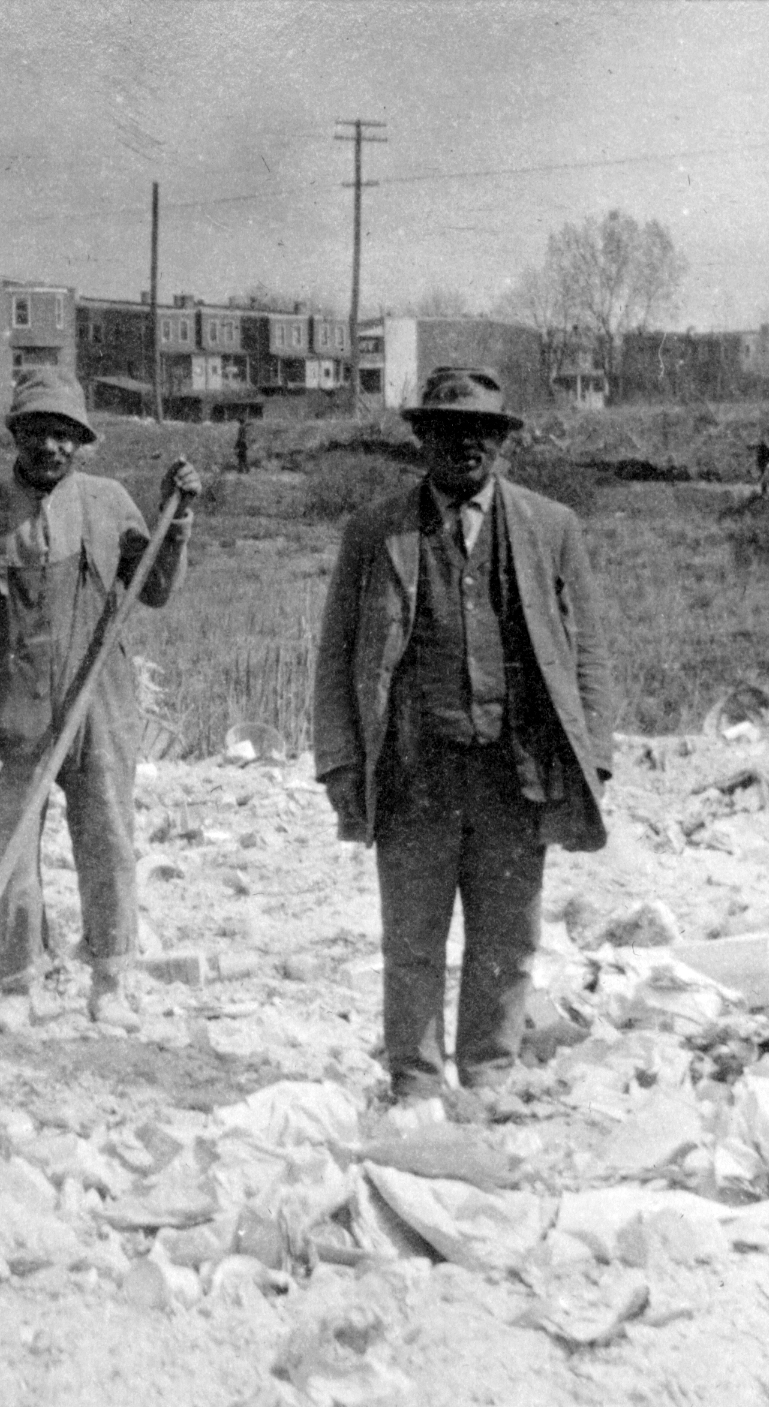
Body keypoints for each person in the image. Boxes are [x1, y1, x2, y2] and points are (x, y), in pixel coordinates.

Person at [311, 367, 615, 1110]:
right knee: (413, 940)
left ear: (503, 441)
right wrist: (341, 761)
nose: (466, 445)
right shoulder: (375, 531)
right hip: (415, 768)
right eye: (449, 431)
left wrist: (595, 757)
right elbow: (336, 653)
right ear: (423, 439)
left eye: (482, 431)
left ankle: (489, 1072)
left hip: (517, 770)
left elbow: (589, 652)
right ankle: (414, 1081)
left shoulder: (551, 528)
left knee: (507, 938)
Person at [0, 368, 195, 1033]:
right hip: (15, 710)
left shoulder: (111, 503)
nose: (51, 448)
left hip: (101, 704)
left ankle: (110, 978)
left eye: (65, 436)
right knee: (6, 846)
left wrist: (178, 522)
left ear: (82, 442)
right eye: (38, 433)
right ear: (16, 436)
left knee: (108, 837)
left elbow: (157, 588)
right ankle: (17, 985)